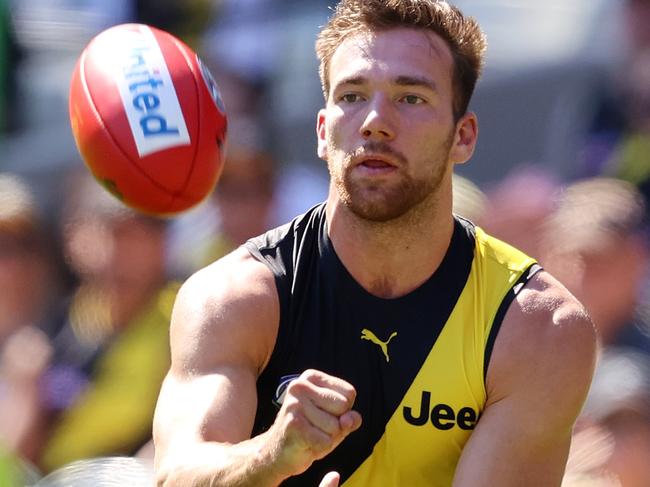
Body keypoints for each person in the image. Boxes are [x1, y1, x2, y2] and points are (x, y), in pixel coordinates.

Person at [152, 1, 597, 485]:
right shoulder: (234, 298)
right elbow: (177, 472)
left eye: (411, 98)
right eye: (352, 96)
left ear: (463, 137)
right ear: (323, 132)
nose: (375, 122)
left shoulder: (536, 326)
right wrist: (271, 455)